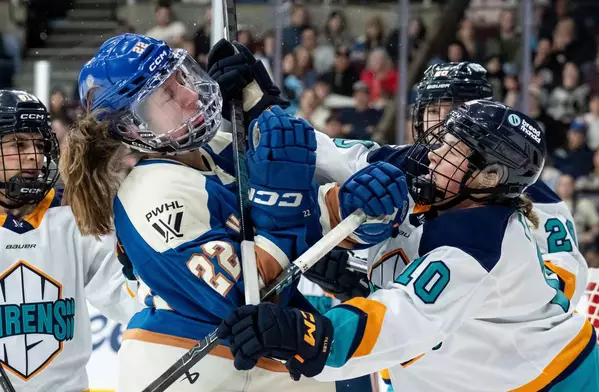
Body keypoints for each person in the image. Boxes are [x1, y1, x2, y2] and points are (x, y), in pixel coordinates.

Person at [59, 33, 405, 392]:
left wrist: (353, 209)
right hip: (195, 366)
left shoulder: (219, 149)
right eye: (167, 95)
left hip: (254, 365)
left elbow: (302, 212)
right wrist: (281, 199)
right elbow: (247, 304)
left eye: (181, 79)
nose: (191, 95)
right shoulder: (150, 195)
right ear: (131, 126)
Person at [218, 100, 599, 391]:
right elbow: (345, 158)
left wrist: (305, 336)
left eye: (453, 150)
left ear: (488, 177)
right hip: (463, 374)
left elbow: (402, 320)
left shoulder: (480, 244)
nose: (434, 151)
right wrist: (260, 108)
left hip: (550, 380)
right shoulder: (441, 177)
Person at [0, 89, 140, 390]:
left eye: (39, 144)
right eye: (18, 143)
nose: (34, 156)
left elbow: (129, 301)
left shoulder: (73, 217)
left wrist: (142, 268)